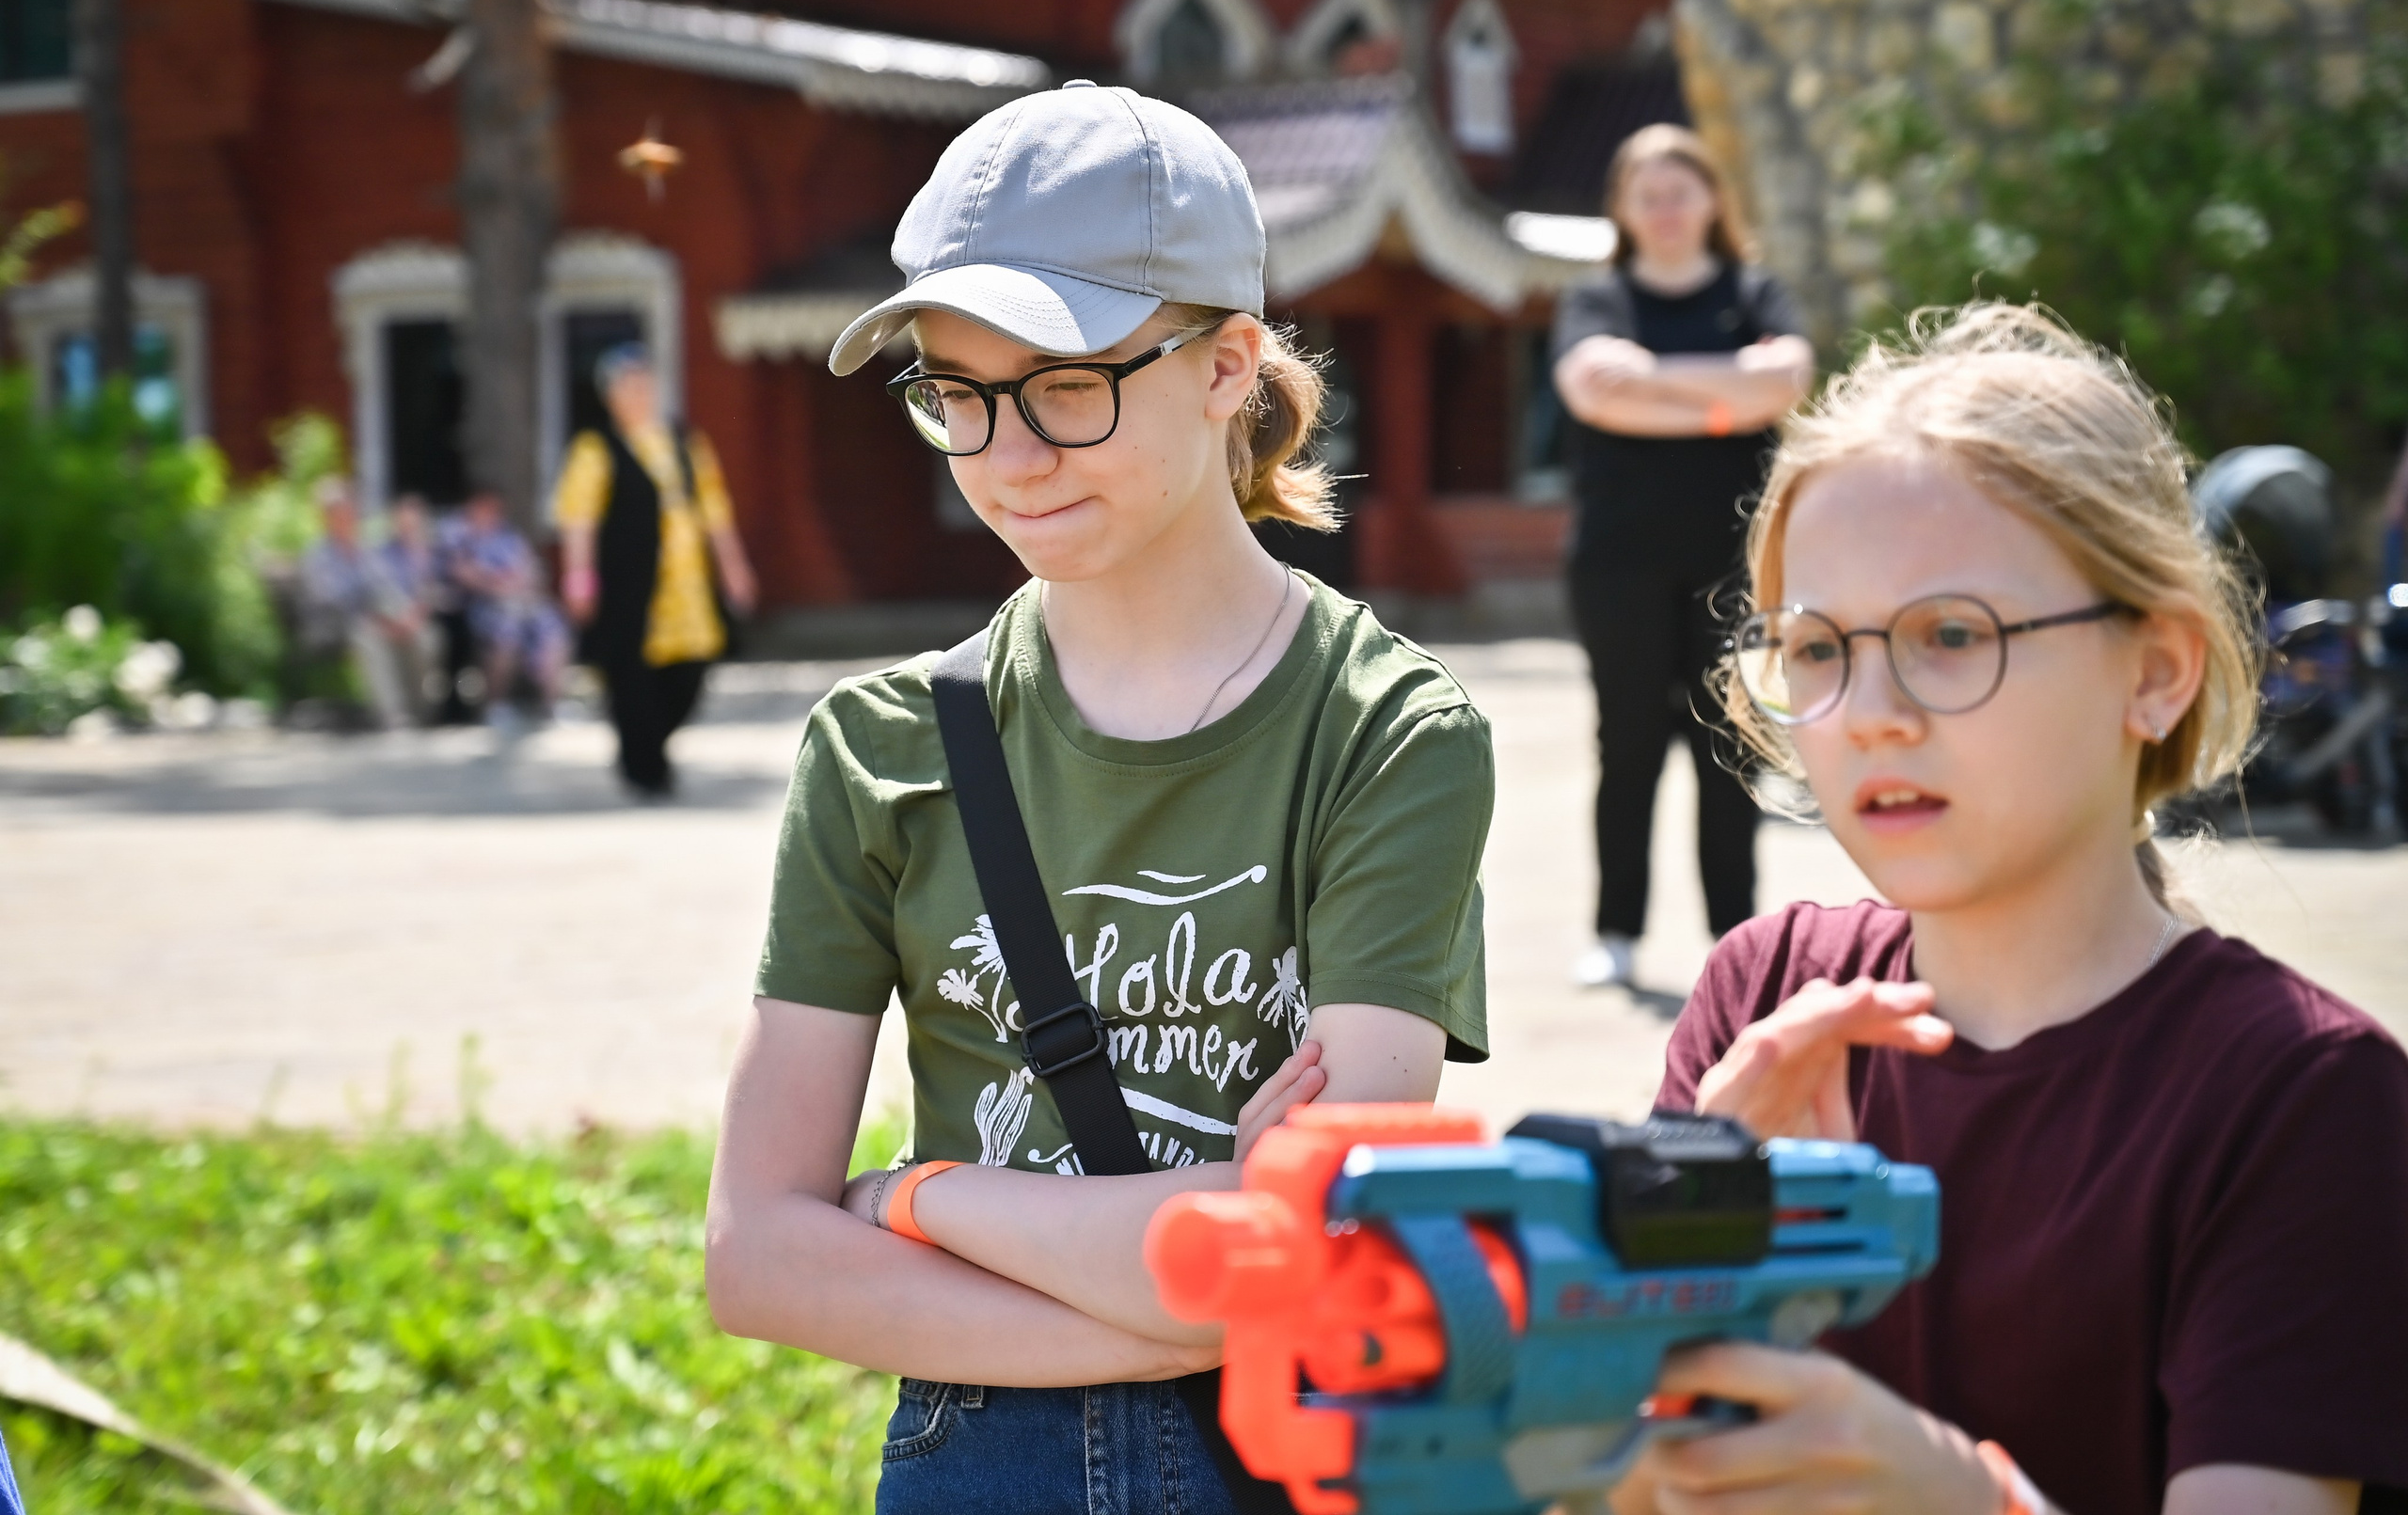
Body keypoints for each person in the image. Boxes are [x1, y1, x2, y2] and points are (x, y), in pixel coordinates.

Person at [705, 80, 1495, 1515]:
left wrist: (916, 1199)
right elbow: (755, 1252)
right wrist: (1180, 1293)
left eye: (1067, 386)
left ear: (1228, 362)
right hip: (979, 1462)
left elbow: (1316, 1228)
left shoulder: (1387, 730)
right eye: (956, 392)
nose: (1007, 456)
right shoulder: (880, 744)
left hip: (1281, 1461)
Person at [1623, 305, 2408, 1515]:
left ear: (2155, 671)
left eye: (1950, 634)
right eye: (1819, 649)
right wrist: (1654, 1280)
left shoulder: (2304, 1096)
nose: (1870, 710)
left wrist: (1959, 1499)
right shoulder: (1764, 994)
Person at [1552, 123, 1815, 989]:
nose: (1665, 210)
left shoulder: (1756, 289)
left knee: (1733, 746)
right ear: (1622, 209)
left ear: (1712, 197)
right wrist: (1724, 398)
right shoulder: (1597, 300)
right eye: (1647, 195)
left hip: (1741, 564)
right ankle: (1616, 930)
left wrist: (1657, 383)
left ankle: (1734, 943)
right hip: (1617, 563)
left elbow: (1788, 380)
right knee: (1624, 745)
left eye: (1680, 190)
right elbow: (1593, 392)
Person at [553, 343, 758, 798]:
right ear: (611, 396)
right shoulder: (595, 449)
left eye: (645, 385)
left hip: (686, 588)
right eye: (629, 387)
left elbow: (715, 512)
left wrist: (734, 570)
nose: (639, 395)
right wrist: (579, 577)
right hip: (629, 584)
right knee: (631, 676)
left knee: (692, 672)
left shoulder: (685, 441)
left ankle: (648, 749)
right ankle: (643, 767)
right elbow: (579, 519)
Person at [293, 479, 433, 728]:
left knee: (425, 638)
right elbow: (332, 601)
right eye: (341, 513)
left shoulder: (366, 551)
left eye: (351, 511)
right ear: (327, 518)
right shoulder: (317, 556)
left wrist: (404, 617)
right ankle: (393, 717)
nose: (349, 518)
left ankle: (422, 714)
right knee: (369, 639)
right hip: (336, 628)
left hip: (377, 621)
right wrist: (377, 618)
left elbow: (387, 589)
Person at [447, 489, 567, 721]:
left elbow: (531, 569)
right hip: (482, 608)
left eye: (495, 508)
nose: (490, 512)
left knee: (553, 629)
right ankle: (495, 706)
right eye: (484, 506)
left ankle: (553, 704)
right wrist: (498, 585)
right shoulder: (459, 535)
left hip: (523, 603)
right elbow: (462, 573)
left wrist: (521, 585)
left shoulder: (510, 537)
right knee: (507, 633)